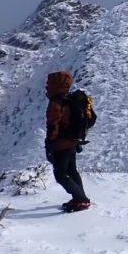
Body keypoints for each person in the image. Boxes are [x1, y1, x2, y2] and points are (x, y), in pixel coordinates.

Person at [45, 71, 92, 212]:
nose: (47, 86)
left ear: (56, 85)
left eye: (49, 83)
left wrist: (49, 145)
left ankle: (81, 200)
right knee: (72, 171)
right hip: (72, 142)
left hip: (61, 144)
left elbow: (53, 125)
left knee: (60, 175)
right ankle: (80, 199)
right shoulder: (69, 99)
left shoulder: (56, 103)